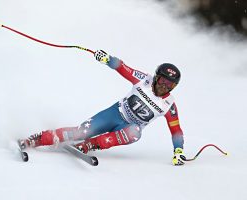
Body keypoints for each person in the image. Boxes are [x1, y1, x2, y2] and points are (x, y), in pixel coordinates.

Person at [19, 50, 186, 166]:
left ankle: (89, 145)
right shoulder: (145, 80)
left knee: (135, 133)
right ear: (156, 78)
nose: (165, 86)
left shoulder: (169, 104)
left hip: (127, 127)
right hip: (114, 114)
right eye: (163, 81)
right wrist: (107, 59)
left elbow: (176, 130)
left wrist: (178, 151)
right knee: (81, 132)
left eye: (170, 84)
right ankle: (37, 139)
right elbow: (123, 68)